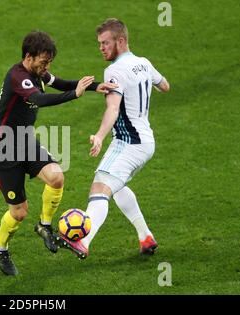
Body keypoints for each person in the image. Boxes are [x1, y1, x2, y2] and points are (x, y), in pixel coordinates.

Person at [0, 30, 117, 275]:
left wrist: (93, 86)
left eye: (49, 62)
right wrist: (74, 95)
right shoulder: (18, 76)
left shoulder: (38, 72)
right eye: (43, 61)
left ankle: (45, 225)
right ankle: (0, 249)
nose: (46, 67)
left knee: (57, 176)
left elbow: (59, 83)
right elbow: (39, 99)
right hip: (4, 149)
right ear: (29, 56)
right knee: (18, 212)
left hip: (24, 142)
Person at [61, 18, 170, 259]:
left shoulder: (114, 70)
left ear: (121, 41)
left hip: (128, 142)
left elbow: (112, 108)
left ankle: (84, 241)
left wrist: (99, 136)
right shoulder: (143, 63)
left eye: (106, 43)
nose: (101, 48)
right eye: (99, 43)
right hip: (146, 141)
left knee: (100, 187)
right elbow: (165, 86)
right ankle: (145, 236)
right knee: (118, 185)